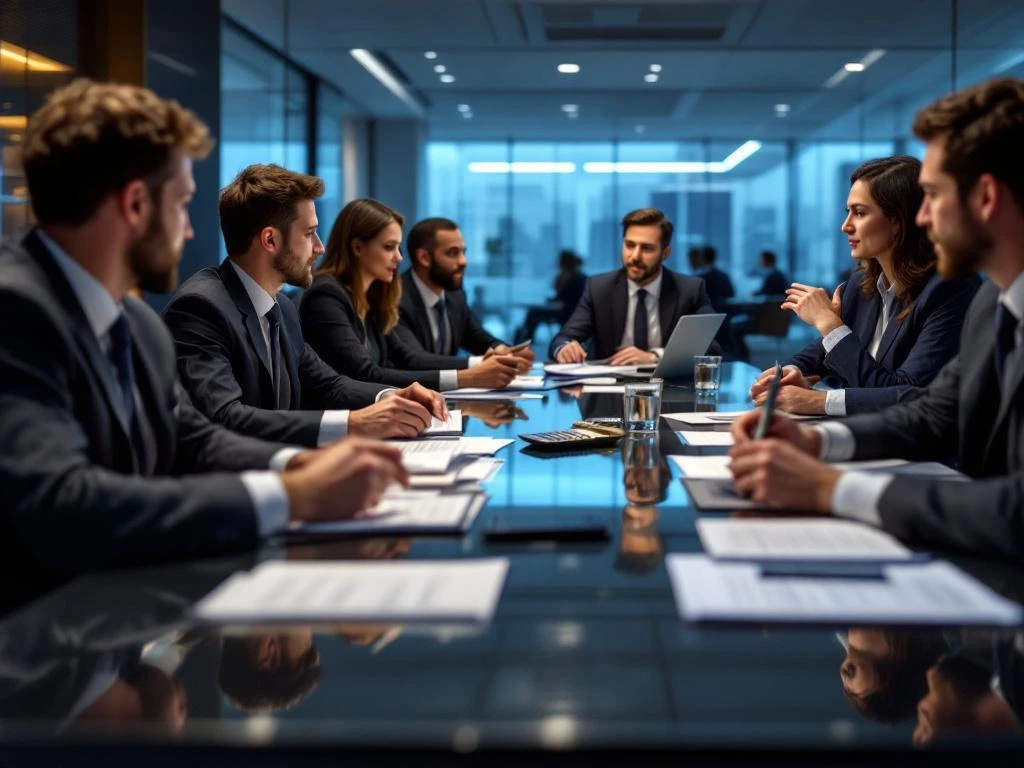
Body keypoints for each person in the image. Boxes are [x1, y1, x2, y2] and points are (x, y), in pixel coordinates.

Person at [0, 80, 407, 594]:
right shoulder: (15, 311)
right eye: (183, 204)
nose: (189, 231)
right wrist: (290, 496)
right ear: (136, 205)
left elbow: (192, 437)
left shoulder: (135, 321)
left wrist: (299, 463)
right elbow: (62, 504)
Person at [729, 78, 1024, 558]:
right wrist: (812, 444)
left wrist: (830, 488)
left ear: (985, 198)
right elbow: (932, 412)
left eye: (931, 195)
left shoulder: (965, 295)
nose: (924, 218)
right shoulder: (996, 304)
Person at [164, 165, 447, 445]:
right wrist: (352, 423)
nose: (320, 247)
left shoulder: (282, 308)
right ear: (270, 240)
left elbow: (329, 384)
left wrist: (392, 396)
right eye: (309, 233)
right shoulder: (201, 308)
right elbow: (225, 416)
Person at [748, 156, 980, 416]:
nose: (845, 226)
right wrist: (794, 372)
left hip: (922, 451)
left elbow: (909, 395)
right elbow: (823, 351)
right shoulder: (860, 284)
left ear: (898, 221)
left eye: (859, 213)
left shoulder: (950, 289)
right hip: (865, 437)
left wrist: (829, 328)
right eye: (847, 212)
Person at [299, 198, 521, 392]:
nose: (398, 258)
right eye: (388, 247)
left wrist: (479, 365)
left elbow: (405, 358)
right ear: (357, 248)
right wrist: (467, 377)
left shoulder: (373, 296)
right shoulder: (326, 296)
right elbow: (365, 374)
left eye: (398, 248)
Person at [551, 208, 718, 364]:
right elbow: (563, 338)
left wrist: (655, 357)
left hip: (668, 389)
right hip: (608, 389)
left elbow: (711, 348)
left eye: (647, 248)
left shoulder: (689, 290)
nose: (635, 256)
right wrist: (564, 348)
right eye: (629, 245)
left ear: (665, 253)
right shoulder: (599, 288)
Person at [394, 217, 535, 374]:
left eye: (463, 252)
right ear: (424, 258)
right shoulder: (395, 298)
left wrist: (504, 351)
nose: (463, 261)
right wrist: (481, 363)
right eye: (453, 253)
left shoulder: (455, 295)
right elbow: (416, 360)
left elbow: (478, 338)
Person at [513, 249, 587, 344]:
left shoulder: (575, 278)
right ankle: (525, 340)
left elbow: (566, 300)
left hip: (567, 313)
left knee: (533, 313)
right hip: (567, 310)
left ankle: (524, 341)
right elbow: (561, 297)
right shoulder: (573, 276)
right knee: (533, 313)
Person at [697, 245, 735, 313]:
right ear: (715, 257)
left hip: (706, 315)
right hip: (723, 314)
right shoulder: (723, 276)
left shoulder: (699, 278)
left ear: (701, 258)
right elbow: (731, 293)